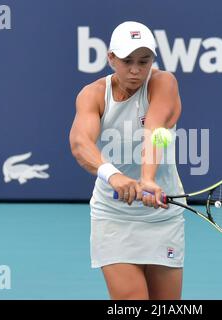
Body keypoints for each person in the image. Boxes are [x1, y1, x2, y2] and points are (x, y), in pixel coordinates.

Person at [69, 21, 186, 300]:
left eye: (143, 61)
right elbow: (80, 143)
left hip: (163, 214)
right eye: (127, 61)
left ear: (153, 60)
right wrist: (113, 175)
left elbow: (154, 132)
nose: (135, 70)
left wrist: (146, 179)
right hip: (113, 216)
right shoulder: (93, 95)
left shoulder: (164, 83)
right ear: (111, 58)